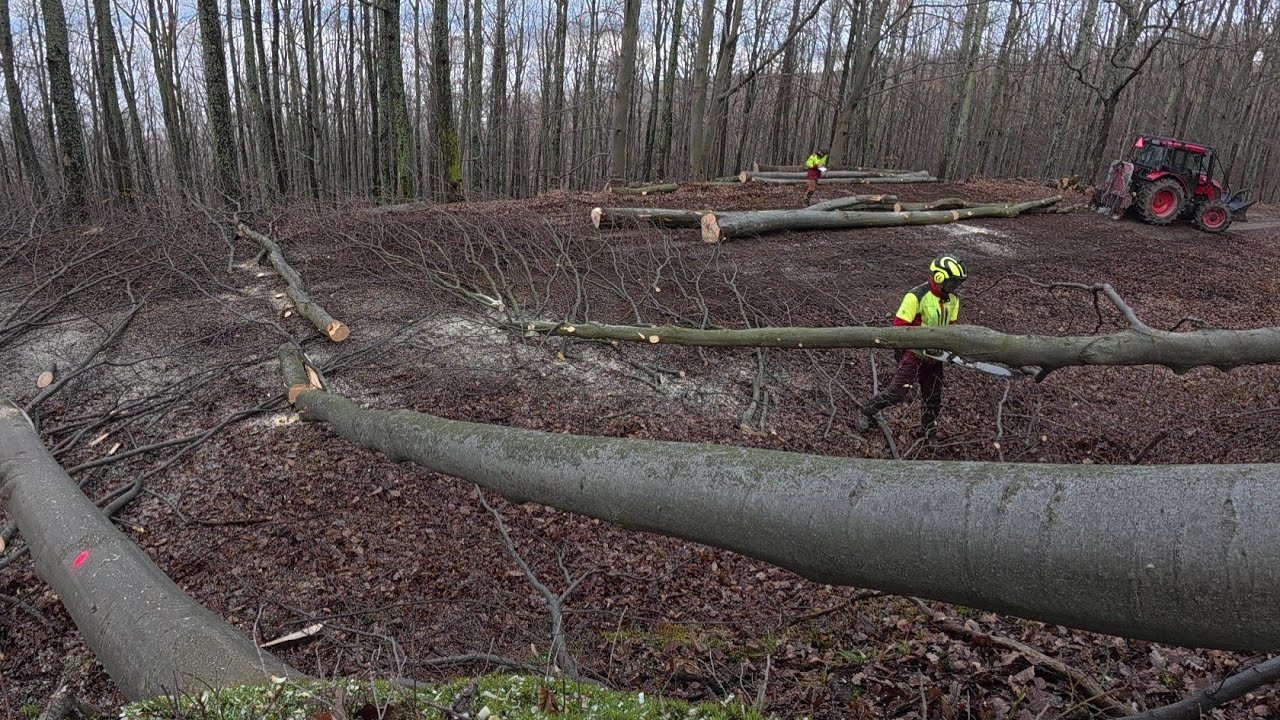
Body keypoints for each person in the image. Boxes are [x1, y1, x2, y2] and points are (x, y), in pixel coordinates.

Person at [853, 255, 966, 438]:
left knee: (933, 397)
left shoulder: (953, 299)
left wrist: (951, 348)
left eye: (957, 283)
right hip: (915, 355)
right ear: (939, 277)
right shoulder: (916, 296)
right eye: (952, 282)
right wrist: (905, 350)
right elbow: (899, 328)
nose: (954, 287)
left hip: (936, 357)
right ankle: (865, 411)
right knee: (898, 392)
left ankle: (929, 432)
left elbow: (951, 327)